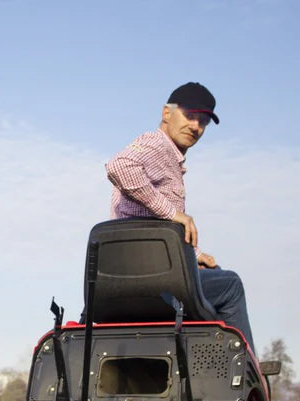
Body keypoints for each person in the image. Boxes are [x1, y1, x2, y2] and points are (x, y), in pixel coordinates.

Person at [105, 82, 255, 350]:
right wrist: (175, 213)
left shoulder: (169, 159)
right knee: (230, 285)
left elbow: (152, 226)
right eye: (190, 116)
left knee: (213, 272)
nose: (196, 126)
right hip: (151, 282)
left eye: (203, 121)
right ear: (166, 113)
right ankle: (244, 375)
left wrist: (194, 256)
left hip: (136, 275)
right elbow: (119, 166)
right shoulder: (156, 144)